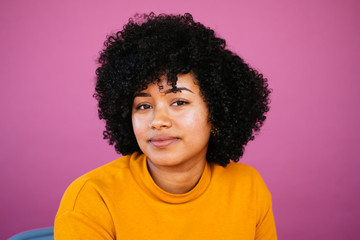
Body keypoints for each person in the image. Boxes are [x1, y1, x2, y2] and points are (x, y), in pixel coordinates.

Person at [54, 13, 276, 239]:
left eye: (179, 102)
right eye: (142, 106)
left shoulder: (248, 187)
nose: (157, 120)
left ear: (217, 112)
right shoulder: (92, 197)